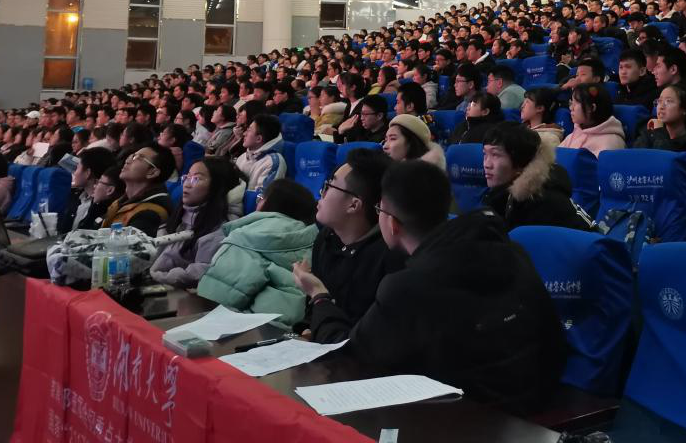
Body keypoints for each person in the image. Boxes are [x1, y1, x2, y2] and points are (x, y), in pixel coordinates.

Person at [302, 160, 567, 412]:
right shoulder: (512, 251)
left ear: (392, 223)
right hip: (537, 399)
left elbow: (348, 354)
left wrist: (319, 297)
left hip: (464, 417)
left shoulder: (409, 285)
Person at [297, 147, 405, 338]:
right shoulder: (326, 238)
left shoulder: (389, 259)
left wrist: (318, 294)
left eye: (329, 186)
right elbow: (313, 312)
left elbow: (366, 340)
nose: (321, 193)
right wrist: (306, 331)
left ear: (353, 204)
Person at [197, 178, 319, 328]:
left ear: (271, 204)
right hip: (290, 332)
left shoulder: (249, 236)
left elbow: (216, 298)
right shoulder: (313, 241)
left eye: (261, 198)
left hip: (247, 330)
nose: (257, 203)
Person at [480, 122, 591, 231]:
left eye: (495, 155)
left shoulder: (542, 201)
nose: (487, 164)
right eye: (485, 154)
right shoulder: (501, 194)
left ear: (520, 161)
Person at [149, 157, 235, 288]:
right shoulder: (178, 217)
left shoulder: (217, 230)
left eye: (196, 178)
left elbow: (200, 273)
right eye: (187, 177)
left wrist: (156, 276)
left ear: (217, 186)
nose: (187, 184)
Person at [102, 145, 175, 236]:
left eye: (138, 158)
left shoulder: (151, 214)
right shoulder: (124, 200)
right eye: (132, 156)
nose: (127, 161)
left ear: (152, 172)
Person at [634, 85, 686, 162]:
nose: (661, 107)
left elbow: (669, 163)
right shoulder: (651, 133)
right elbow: (636, 160)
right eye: (659, 101)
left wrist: (659, 131)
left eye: (668, 101)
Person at [59, 150, 119, 234]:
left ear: (88, 173)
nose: (75, 173)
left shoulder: (104, 208)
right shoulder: (76, 196)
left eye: (77, 168)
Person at [558, 83, 625, 154]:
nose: (571, 108)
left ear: (592, 108)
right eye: (571, 102)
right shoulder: (575, 133)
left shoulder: (610, 145)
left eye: (576, 103)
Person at [235, 113, 286, 191]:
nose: (244, 134)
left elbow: (262, 196)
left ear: (258, 139)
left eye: (249, 130)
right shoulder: (242, 157)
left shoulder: (272, 162)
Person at [382, 114, 446, 169]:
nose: (384, 146)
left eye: (393, 139)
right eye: (386, 140)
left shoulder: (424, 175)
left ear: (411, 143)